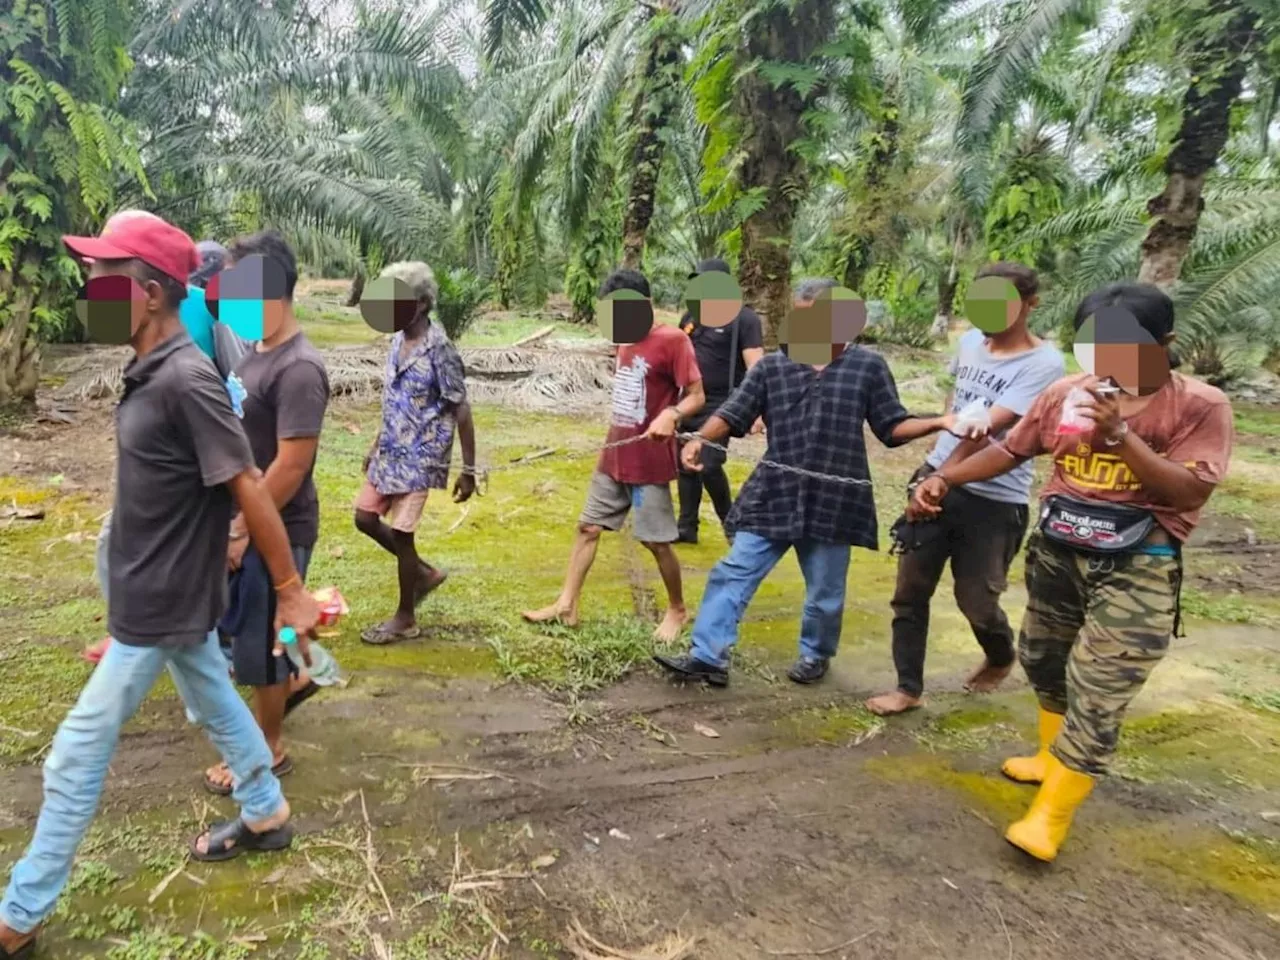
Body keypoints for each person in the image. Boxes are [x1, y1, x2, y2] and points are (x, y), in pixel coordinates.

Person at [0, 216, 320, 960]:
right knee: (215, 699)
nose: (89, 293)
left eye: (102, 279)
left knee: (74, 754)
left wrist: (290, 588)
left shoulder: (185, 377)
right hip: (159, 597)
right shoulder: (150, 368)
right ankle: (267, 811)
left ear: (145, 295)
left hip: (166, 601)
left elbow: (249, 484)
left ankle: (22, 911)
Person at [911, 283, 1233, 862]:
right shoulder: (1064, 393)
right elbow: (1012, 451)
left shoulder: (1198, 405)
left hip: (1139, 563)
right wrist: (947, 478)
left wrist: (1121, 436)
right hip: (1060, 548)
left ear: (1164, 344)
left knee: (1101, 686)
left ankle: (1051, 815)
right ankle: (1048, 756)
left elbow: (1188, 492)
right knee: (1041, 657)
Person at [654, 279, 962, 687]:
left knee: (825, 592)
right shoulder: (771, 367)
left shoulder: (867, 367)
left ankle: (816, 653)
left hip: (835, 498)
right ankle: (707, 655)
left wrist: (939, 422)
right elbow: (734, 411)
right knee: (734, 570)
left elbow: (891, 427)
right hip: (775, 491)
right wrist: (699, 439)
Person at [866, 263, 1064, 716]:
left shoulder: (1044, 364)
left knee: (976, 601)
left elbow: (989, 428)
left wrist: (943, 475)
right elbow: (959, 405)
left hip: (994, 498)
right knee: (910, 591)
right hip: (938, 475)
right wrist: (933, 463)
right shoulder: (971, 342)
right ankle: (908, 688)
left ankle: (999, 653)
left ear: (1030, 304)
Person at [202, 230, 331, 795]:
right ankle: (300, 678)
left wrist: (239, 528)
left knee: (263, 645)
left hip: (276, 523)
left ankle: (267, 751)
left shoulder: (299, 369)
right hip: (250, 521)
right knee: (251, 635)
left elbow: (290, 468)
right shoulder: (257, 352)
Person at [523, 268, 706, 642]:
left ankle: (677, 609)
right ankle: (567, 604)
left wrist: (672, 414)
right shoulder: (624, 339)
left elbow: (697, 395)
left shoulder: (673, 340)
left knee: (656, 542)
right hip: (614, 456)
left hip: (650, 462)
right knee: (588, 528)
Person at [355, 261, 478, 645]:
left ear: (422, 303)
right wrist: (375, 445)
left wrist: (469, 469)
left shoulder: (440, 349)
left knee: (403, 536)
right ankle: (423, 573)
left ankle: (405, 617)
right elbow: (396, 400)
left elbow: (461, 408)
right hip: (390, 451)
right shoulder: (396, 339)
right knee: (364, 517)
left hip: (422, 455)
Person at [676, 258, 764, 544]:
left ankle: (731, 524)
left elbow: (757, 368)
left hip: (724, 403)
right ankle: (686, 528)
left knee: (709, 463)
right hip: (691, 398)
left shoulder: (745, 319)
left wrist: (759, 410)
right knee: (686, 465)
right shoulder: (691, 317)